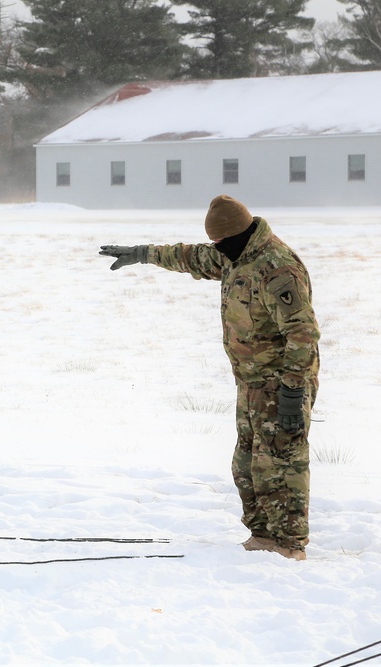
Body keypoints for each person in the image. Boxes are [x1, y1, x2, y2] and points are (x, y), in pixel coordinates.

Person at [98, 195, 320, 561]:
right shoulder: (236, 254)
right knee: (247, 465)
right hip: (249, 382)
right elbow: (191, 257)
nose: (216, 249)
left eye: (221, 243)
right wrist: (143, 253)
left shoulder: (277, 269)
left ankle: (289, 543)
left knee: (280, 462)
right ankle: (263, 534)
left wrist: (293, 392)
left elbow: (303, 333)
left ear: (237, 234)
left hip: (281, 383)